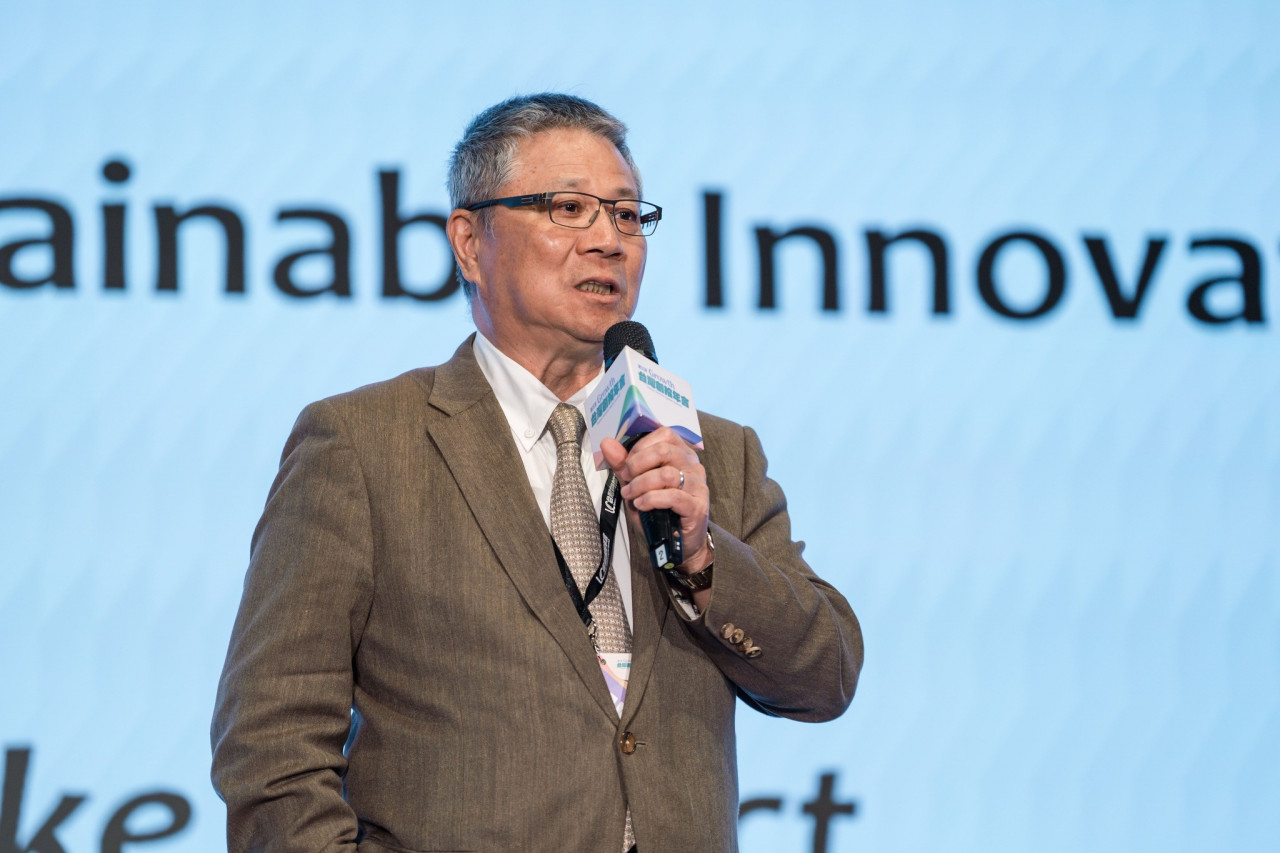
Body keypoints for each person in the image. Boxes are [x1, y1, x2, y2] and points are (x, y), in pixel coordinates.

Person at [211, 93, 863, 853]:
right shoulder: (364, 444)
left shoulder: (710, 451)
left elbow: (825, 676)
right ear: (469, 243)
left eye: (627, 215)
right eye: (568, 208)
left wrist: (702, 556)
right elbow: (272, 741)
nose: (608, 241)